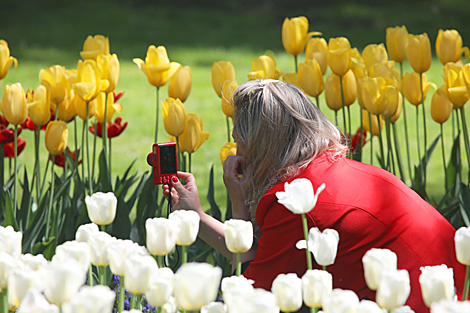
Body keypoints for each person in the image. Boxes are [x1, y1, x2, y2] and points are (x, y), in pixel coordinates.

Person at [163, 79, 465, 312]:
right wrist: (197, 219)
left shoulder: (295, 204)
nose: (235, 153)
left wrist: (239, 205)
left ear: (259, 147)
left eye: (238, 142)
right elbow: (266, 256)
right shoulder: (327, 174)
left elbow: (247, 298)